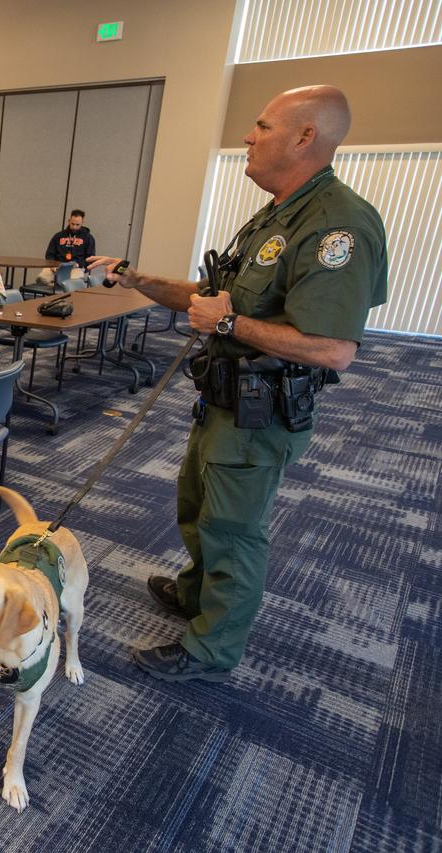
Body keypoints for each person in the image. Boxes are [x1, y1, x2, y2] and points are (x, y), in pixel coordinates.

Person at [88, 85, 387, 683]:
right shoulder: (278, 211)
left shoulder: (338, 226)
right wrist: (137, 279)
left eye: (262, 126)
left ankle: (212, 646)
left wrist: (228, 322)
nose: (248, 137)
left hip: (261, 414)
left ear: (305, 137)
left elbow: (334, 349)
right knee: (197, 510)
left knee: (232, 530)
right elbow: (211, 297)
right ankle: (199, 594)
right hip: (222, 401)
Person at [35, 209, 95, 286]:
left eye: (77, 225)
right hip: (57, 267)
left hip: (75, 269)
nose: (74, 227)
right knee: (41, 278)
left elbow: (91, 258)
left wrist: (79, 265)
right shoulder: (58, 236)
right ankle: (56, 287)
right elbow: (50, 254)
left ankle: (59, 287)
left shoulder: (88, 238)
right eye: (72, 224)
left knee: (70, 283)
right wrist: (52, 265)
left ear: (82, 223)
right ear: (69, 221)